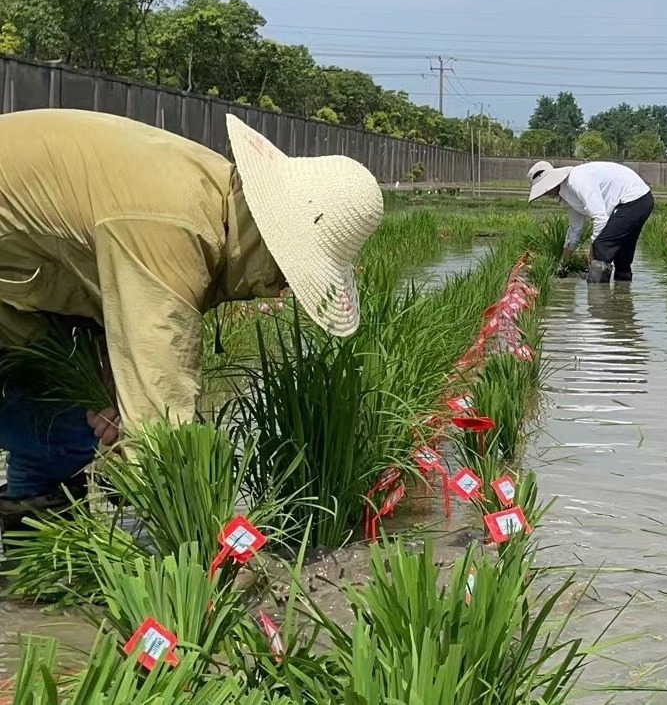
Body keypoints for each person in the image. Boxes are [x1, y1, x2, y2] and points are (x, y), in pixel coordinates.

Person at [0, 109, 384, 527]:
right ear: (271, 238)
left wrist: (108, 394)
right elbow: (159, 415)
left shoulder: (208, 195)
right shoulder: (174, 226)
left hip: (22, 298)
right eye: (289, 272)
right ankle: (49, 546)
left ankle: (37, 562)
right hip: (16, 300)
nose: (282, 290)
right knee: (71, 433)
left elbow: (99, 301)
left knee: (71, 416)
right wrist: (197, 538)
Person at [528, 161, 654, 284]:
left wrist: (593, 252)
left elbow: (600, 217)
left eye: (545, 190)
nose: (545, 194)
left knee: (601, 247)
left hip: (634, 200)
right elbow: (575, 230)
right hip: (638, 200)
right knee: (622, 255)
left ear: (552, 183)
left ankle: (597, 298)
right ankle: (622, 295)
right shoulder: (570, 194)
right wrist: (563, 265)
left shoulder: (577, 181)